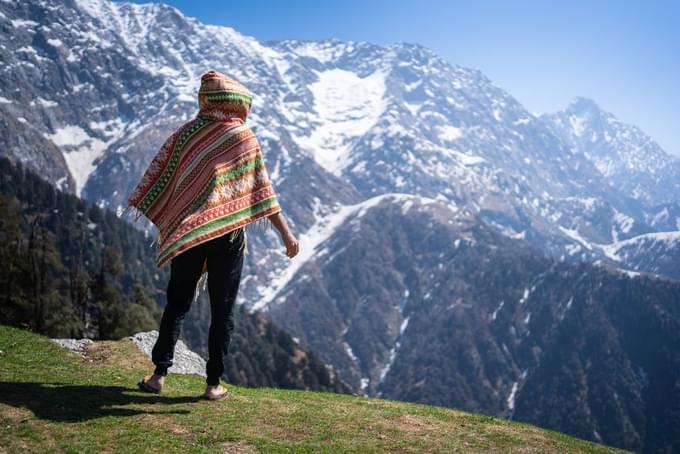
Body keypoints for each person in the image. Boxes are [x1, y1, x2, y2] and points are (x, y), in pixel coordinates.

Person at [126, 70, 299, 400]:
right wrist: (287, 236)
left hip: (190, 233)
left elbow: (163, 177)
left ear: (207, 100)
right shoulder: (244, 138)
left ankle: (158, 376)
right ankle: (213, 384)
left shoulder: (187, 135)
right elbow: (264, 193)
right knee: (223, 310)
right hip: (228, 237)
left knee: (177, 303)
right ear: (236, 104)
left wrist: (172, 214)